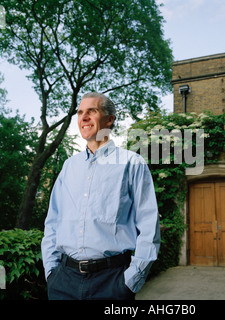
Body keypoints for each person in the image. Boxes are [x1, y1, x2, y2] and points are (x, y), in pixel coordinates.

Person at [41, 92, 160, 300]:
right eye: (80, 112)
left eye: (91, 111)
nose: (83, 117)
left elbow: (149, 226)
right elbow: (53, 222)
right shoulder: (69, 166)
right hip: (63, 282)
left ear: (109, 119)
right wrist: (51, 272)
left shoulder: (132, 163)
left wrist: (130, 281)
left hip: (112, 283)